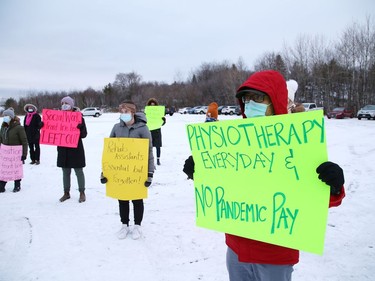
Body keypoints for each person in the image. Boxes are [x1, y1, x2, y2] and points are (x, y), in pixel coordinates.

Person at [183, 70, 345, 281]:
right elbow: (225, 181)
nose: (250, 104)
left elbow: (314, 198)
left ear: (275, 99)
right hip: (236, 246)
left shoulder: (298, 140)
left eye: (258, 98)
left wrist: (333, 185)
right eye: (246, 99)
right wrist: (201, 171)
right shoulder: (233, 140)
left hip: (275, 252)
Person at [101, 101, 155, 240]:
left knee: (137, 199)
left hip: (137, 172)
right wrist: (105, 171)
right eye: (121, 112)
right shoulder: (116, 128)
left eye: (125, 111)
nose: (123, 114)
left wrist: (149, 173)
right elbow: (109, 152)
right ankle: (124, 225)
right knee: (122, 199)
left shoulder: (143, 129)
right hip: (120, 172)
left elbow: (149, 152)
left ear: (132, 112)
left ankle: (137, 226)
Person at [57, 96, 87, 203]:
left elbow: (84, 135)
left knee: (78, 171)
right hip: (63, 149)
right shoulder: (57, 117)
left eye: (66, 103)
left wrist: (80, 127)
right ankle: (66, 192)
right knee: (65, 172)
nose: (64, 105)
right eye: (62, 103)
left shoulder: (79, 118)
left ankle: (82, 192)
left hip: (75, 149)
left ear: (71, 105)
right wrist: (43, 126)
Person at [0, 108, 28, 193]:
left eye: (7, 116)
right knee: (4, 170)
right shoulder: (3, 127)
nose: (5, 117)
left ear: (11, 117)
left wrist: (24, 154)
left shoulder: (19, 128)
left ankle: (17, 185)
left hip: (16, 153)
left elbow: (24, 141)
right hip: (5, 153)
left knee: (16, 169)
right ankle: (2, 185)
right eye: (4, 116)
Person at [146, 98, 166, 166]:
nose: (152, 106)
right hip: (149, 131)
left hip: (157, 131)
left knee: (158, 146)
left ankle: (158, 159)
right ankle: (149, 160)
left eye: (153, 105)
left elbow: (162, 123)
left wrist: (163, 120)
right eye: (151, 105)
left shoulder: (159, 113)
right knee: (149, 146)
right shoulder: (146, 112)